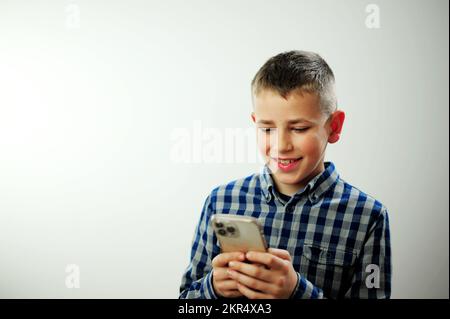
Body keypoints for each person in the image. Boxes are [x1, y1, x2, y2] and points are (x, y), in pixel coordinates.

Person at [179, 50, 391, 299]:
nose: (281, 145)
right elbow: (186, 300)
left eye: (299, 128)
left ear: (334, 126)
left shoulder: (368, 216)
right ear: (254, 122)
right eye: (267, 128)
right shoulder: (220, 201)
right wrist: (212, 288)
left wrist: (296, 292)